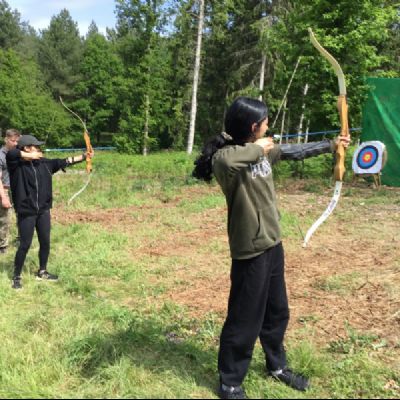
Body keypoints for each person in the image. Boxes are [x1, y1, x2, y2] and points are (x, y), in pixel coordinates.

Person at [192, 97, 351, 399]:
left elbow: (292, 151)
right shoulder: (227, 157)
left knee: (277, 311)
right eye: (265, 122)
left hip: (273, 244)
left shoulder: (262, 151)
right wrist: (260, 148)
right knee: (244, 318)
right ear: (254, 127)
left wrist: (331, 145)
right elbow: (225, 162)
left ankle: (277, 366)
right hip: (250, 248)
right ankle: (230, 382)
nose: (269, 126)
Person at [6, 134, 94, 290]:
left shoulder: (44, 163)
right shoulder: (16, 166)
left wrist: (83, 156)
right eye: (36, 146)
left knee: (45, 242)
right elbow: (12, 153)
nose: (39, 149)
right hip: (27, 211)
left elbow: (64, 161)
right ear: (27, 148)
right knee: (25, 244)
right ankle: (16, 277)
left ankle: (42, 271)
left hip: (43, 211)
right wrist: (29, 156)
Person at [0, 129, 21, 253]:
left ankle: (21, 238)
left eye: (17, 141)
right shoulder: (1, 155)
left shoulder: (20, 152)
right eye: (13, 141)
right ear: (6, 139)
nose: (15, 143)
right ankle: (3, 245)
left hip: (18, 189)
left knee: (22, 215)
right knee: (5, 219)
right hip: (5, 189)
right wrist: (3, 197)